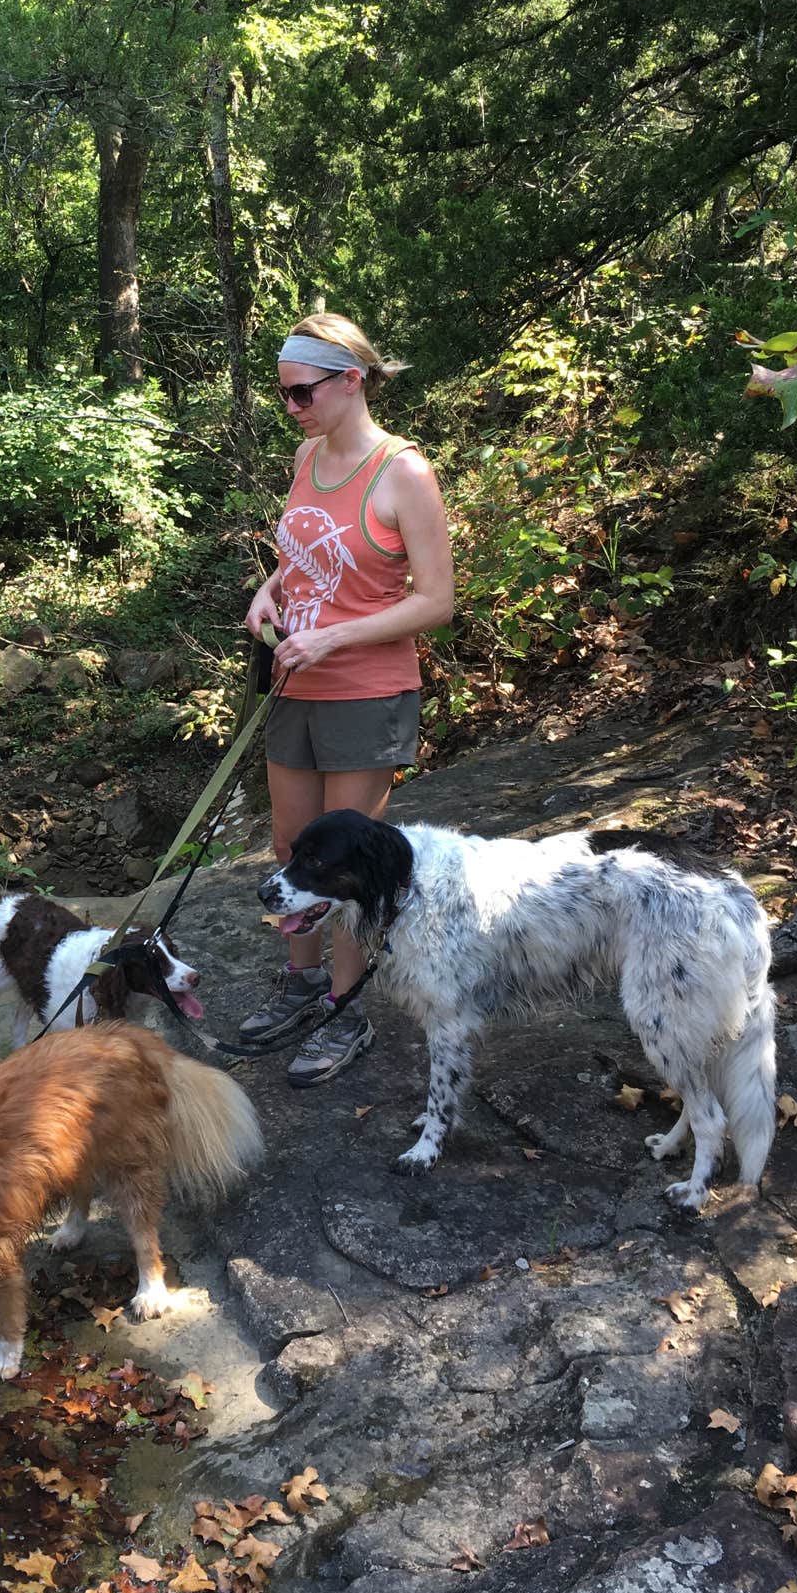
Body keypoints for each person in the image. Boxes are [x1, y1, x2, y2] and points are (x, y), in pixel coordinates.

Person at [240, 313, 455, 1084]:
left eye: (302, 394)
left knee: (342, 866)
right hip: (296, 681)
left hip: (366, 691)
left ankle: (345, 1009)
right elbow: (300, 560)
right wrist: (269, 593)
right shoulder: (307, 455)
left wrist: (333, 638)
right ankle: (298, 984)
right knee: (291, 848)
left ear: (350, 381)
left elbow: (436, 601)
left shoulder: (404, 474)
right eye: (284, 396)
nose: (292, 409)